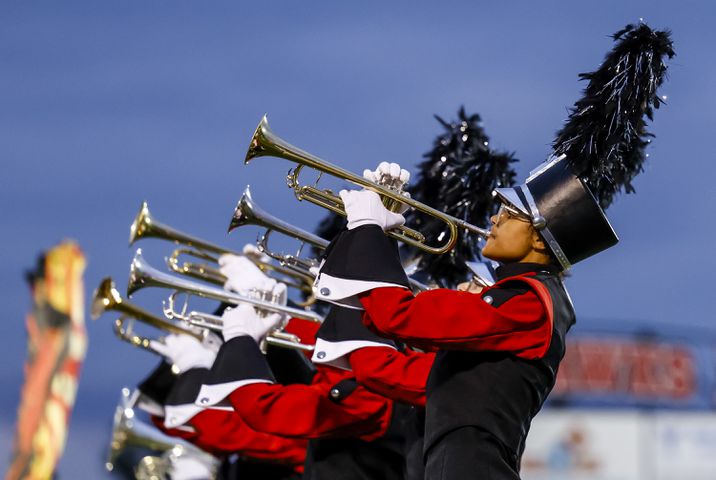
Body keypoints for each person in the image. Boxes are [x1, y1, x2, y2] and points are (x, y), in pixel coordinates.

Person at [312, 158, 620, 480]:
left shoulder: (528, 302)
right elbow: (393, 330)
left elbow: (400, 316)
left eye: (509, 214)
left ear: (539, 239)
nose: (494, 219)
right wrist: (383, 236)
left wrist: (368, 230)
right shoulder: (524, 298)